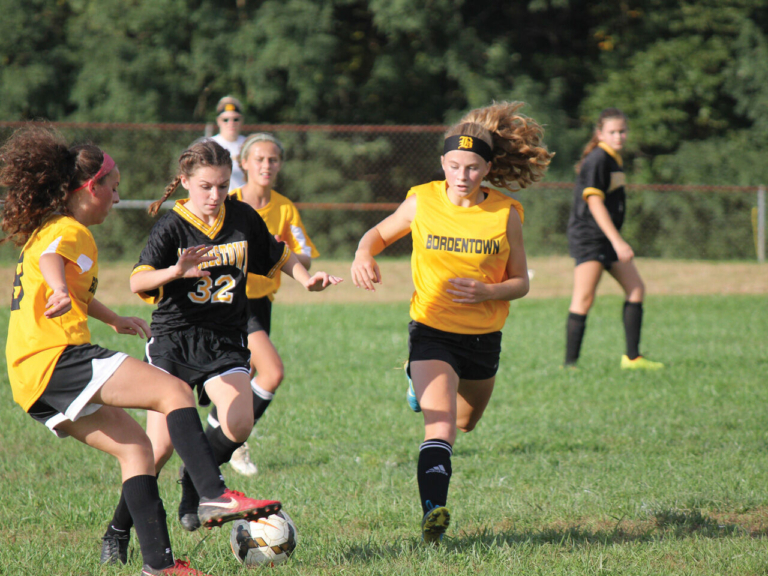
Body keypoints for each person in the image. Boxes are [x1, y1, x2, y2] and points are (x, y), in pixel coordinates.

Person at [1, 126, 282, 576]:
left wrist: (111, 318)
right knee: (173, 391)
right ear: (90, 187)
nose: (115, 199)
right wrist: (56, 287)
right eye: (112, 189)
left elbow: (69, 282)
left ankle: (159, 566)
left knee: (137, 451)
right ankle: (212, 492)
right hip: (57, 358)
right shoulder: (69, 231)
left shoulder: (51, 229)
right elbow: (55, 262)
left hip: (30, 379)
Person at [100, 138, 341, 559]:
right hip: (175, 343)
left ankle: (196, 483)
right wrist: (175, 270)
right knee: (155, 452)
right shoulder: (173, 224)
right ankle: (118, 531)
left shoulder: (243, 216)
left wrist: (306, 279)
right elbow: (138, 282)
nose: (215, 196)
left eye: (223, 186)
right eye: (206, 187)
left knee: (239, 423)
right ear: (186, 183)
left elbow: (279, 254)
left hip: (226, 341)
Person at [350, 102, 553, 543]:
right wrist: (364, 253)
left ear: (487, 168)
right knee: (439, 424)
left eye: (473, 167)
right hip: (432, 329)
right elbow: (378, 234)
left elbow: (520, 282)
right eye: (455, 165)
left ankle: (415, 384)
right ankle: (433, 514)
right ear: (443, 163)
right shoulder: (422, 199)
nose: (462, 175)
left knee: (465, 422)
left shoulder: (505, 214)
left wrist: (489, 291)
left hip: (483, 337)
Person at [205, 132, 320, 476]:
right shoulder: (228, 202)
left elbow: (305, 256)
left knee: (243, 377)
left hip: (262, 302)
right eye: (259, 159)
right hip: (231, 304)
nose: (266, 165)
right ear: (243, 163)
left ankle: (213, 443)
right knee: (271, 372)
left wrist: (281, 252)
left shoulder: (284, 207)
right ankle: (231, 445)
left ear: (280, 164)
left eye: (272, 160)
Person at [563, 108, 663, 370]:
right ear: (600, 134)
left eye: (622, 131)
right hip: (591, 238)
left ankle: (632, 359)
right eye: (613, 132)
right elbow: (594, 202)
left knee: (636, 288)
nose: (619, 136)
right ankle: (569, 365)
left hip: (605, 238)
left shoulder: (613, 158)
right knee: (583, 298)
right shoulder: (598, 159)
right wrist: (618, 241)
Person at [211, 96, 247, 191]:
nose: (231, 123)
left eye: (235, 119)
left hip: (244, 201)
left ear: (241, 120)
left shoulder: (249, 145)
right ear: (218, 121)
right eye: (225, 120)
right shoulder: (210, 145)